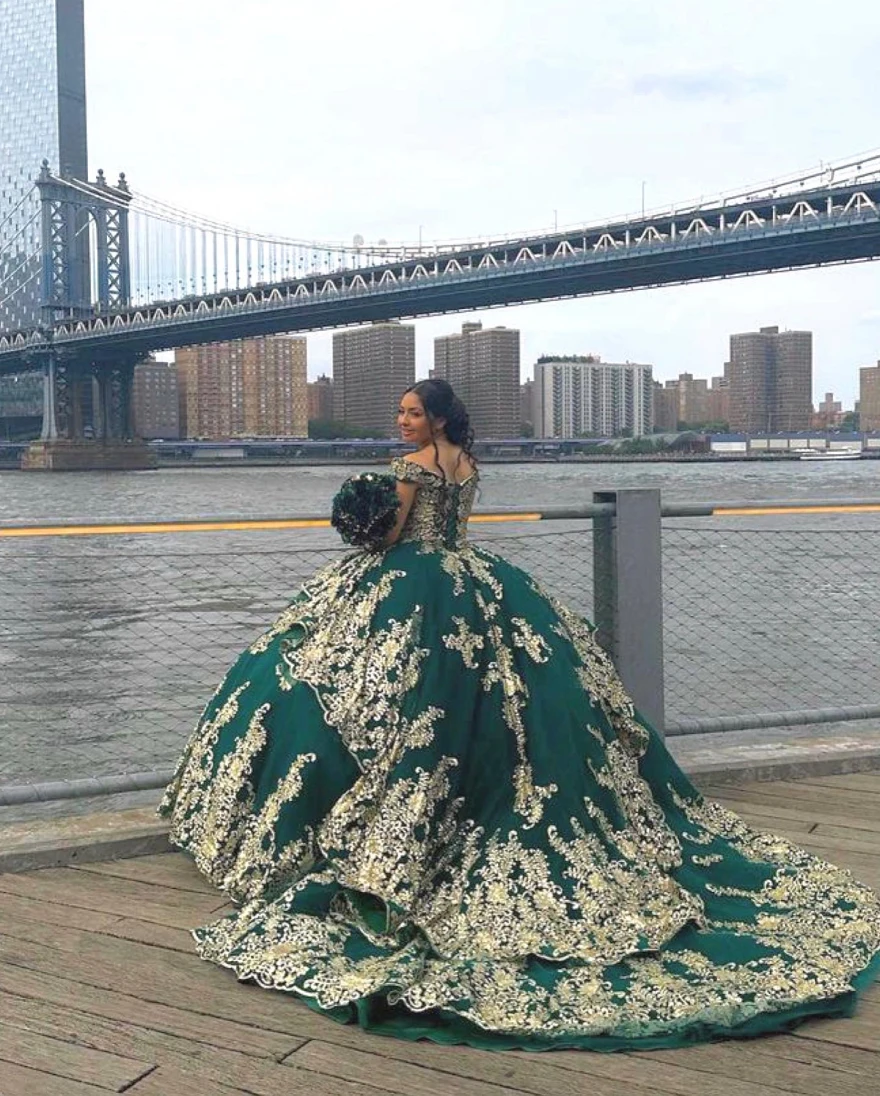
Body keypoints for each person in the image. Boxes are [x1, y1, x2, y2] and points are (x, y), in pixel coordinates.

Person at [160, 378, 880, 1051]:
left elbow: (389, 537)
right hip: (471, 580)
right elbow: (452, 530)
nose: (403, 421)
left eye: (413, 412)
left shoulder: (412, 468)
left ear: (434, 418)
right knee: (501, 703)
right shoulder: (467, 463)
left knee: (331, 680)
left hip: (410, 586)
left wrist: (362, 519)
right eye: (403, 413)